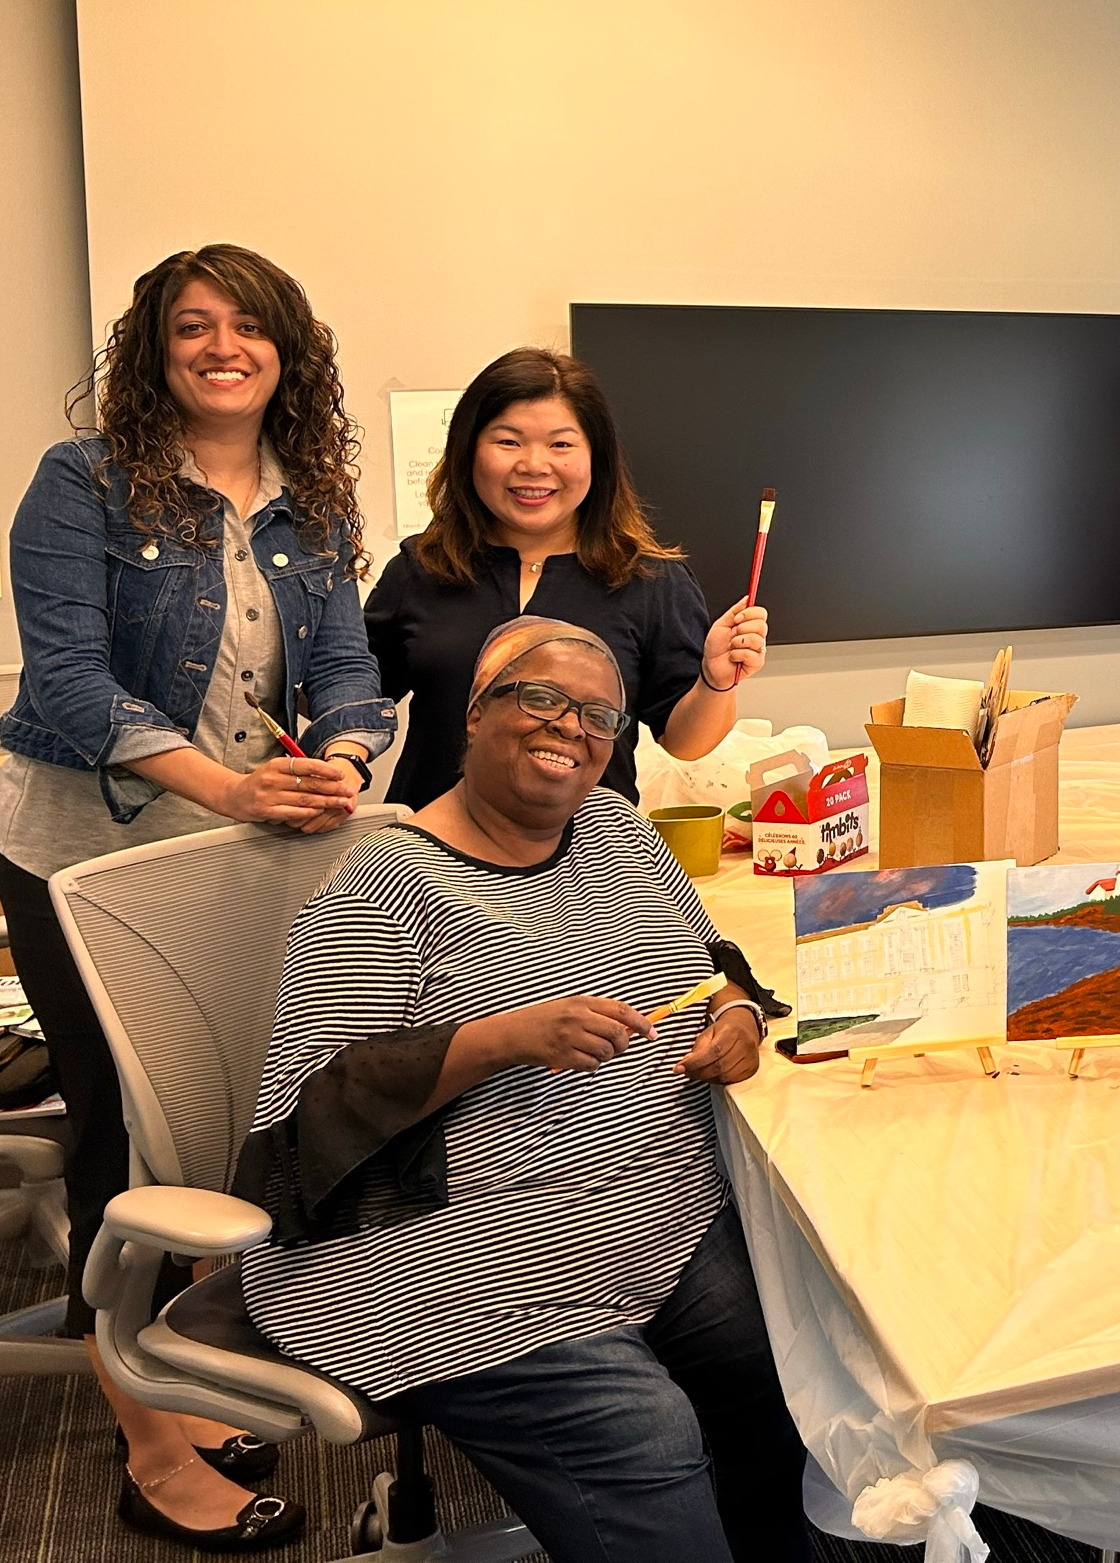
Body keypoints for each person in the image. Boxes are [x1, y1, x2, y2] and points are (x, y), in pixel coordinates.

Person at [235, 616, 806, 1563]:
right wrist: (501, 1037)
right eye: (539, 698)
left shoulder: (617, 833)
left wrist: (738, 1018)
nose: (570, 728)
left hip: (653, 1233)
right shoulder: (386, 883)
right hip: (452, 1266)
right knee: (653, 1434)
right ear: (474, 713)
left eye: (598, 717)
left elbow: (710, 967)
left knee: (791, 1357)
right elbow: (308, 1118)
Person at [0, 243, 393, 1549]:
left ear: (289, 348)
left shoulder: (313, 501)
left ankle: (194, 1349)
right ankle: (149, 1439)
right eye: (191, 327)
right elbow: (64, 685)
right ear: (156, 351)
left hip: (234, 862)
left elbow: (342, 664)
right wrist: (232, 794)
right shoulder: (85, 482)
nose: (222, 347)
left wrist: (339, 759)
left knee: (235, 1111)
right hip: (85, 859)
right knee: (128, 1124)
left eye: (249, 326)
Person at [367, 348, 765, 809]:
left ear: (596, 457)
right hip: (430, 859)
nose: (535, 465)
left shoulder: (652, 579)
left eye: (561, 445)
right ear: (468, 450)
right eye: (508, 442)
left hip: (589, 859)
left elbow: (685, 744)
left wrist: (716, 681)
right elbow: (348, 694)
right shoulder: (422, 566)